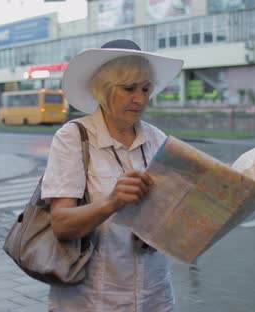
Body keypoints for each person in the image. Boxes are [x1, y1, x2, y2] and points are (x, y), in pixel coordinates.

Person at [41, 39, 183, 312]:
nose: (140, 99)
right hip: (92, 299)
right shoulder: (74, 137)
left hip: (153, 296)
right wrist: (111, 203)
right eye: (129, 89)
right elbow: (60, 223)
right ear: (104, 90)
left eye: (145, 88)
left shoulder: (158, 140)